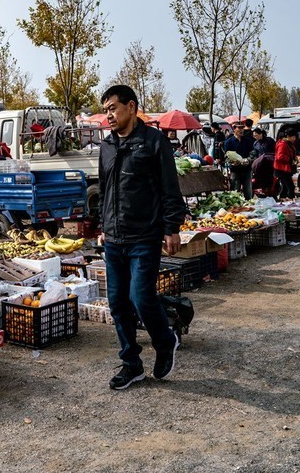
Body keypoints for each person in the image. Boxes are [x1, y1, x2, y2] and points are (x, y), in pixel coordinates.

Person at [98, 85, 185, 390]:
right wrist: (103, 226)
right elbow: (106, 191)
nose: (108, 114)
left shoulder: (153, 142)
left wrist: (172, 227)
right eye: (105, 109)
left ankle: (165, 341)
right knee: (117, 302)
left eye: (113, 108)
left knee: (141, 297)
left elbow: (169, 188)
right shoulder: (107, 146)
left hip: (144, 236)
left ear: (131, 107)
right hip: (113, 237)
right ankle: (131, 363)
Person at [223, 123, 255, 197]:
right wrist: (232, 162)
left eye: (242, 128)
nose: (241, 130)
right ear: (234, 129)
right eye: (239, 128)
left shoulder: (248, 140)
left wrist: (248, 160)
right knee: (235, 192)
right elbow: (226, 156)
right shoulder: (228, 142)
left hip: (247, 169)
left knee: (248, 191)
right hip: (235, 170)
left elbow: (253, 153)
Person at [274, 130, 297, 199]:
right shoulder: (282, 144)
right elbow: (279, 157)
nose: (294, 139)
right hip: (282, 169)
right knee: (290, 186)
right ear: (288, 136)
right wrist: (290, 159)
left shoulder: (287, 143)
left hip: (284, 168)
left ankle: (283, 200)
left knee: (285, 187)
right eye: (293, 137)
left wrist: (294, 158)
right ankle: (291, 200)